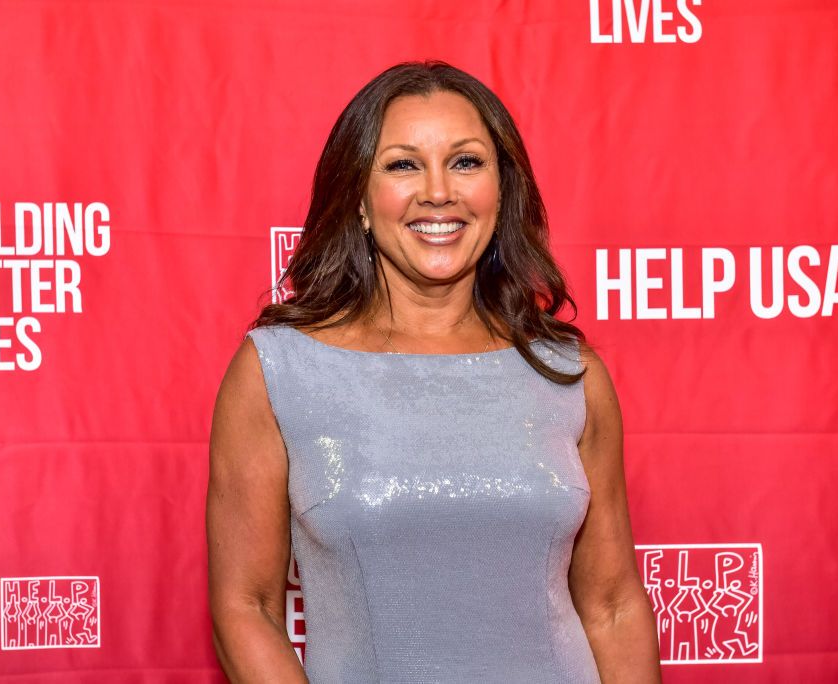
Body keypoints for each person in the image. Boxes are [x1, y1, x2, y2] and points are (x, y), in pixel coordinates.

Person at [206, 60, 661, 683]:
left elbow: (612, 606)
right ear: (359, 198)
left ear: (502, 193)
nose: (438, 190)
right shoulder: (281, 370)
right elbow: (247, 607)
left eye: (466, 161)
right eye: (402, 164)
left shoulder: (568, 374)